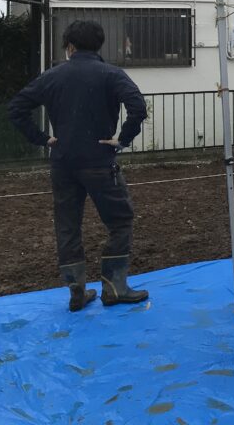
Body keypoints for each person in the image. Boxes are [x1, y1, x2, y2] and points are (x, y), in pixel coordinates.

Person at [9, 20, 150, 312]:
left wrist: (43, 139)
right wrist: (122, 139)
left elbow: (17, 108)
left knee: (68, 225)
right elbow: (137, 107)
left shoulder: (52, 76)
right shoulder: (111, 74)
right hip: (99, 159)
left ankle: (76, 291)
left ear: (69, 46)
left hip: (63, 161)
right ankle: (114, 287)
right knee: (120, 220)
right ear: (98, 45)